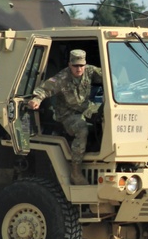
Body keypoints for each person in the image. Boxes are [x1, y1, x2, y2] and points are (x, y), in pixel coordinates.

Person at [27, 49, 103, 185]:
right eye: (75, 66)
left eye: (81, 65)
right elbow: (45, 89)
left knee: (105, 117)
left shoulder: (90, 71)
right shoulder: (62, 78)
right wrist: (36, 100)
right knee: (82, 128)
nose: (79, 69)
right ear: (69, 65)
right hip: (68, 115)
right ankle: (76, 172)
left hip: (87, 109)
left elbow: (109, 76)